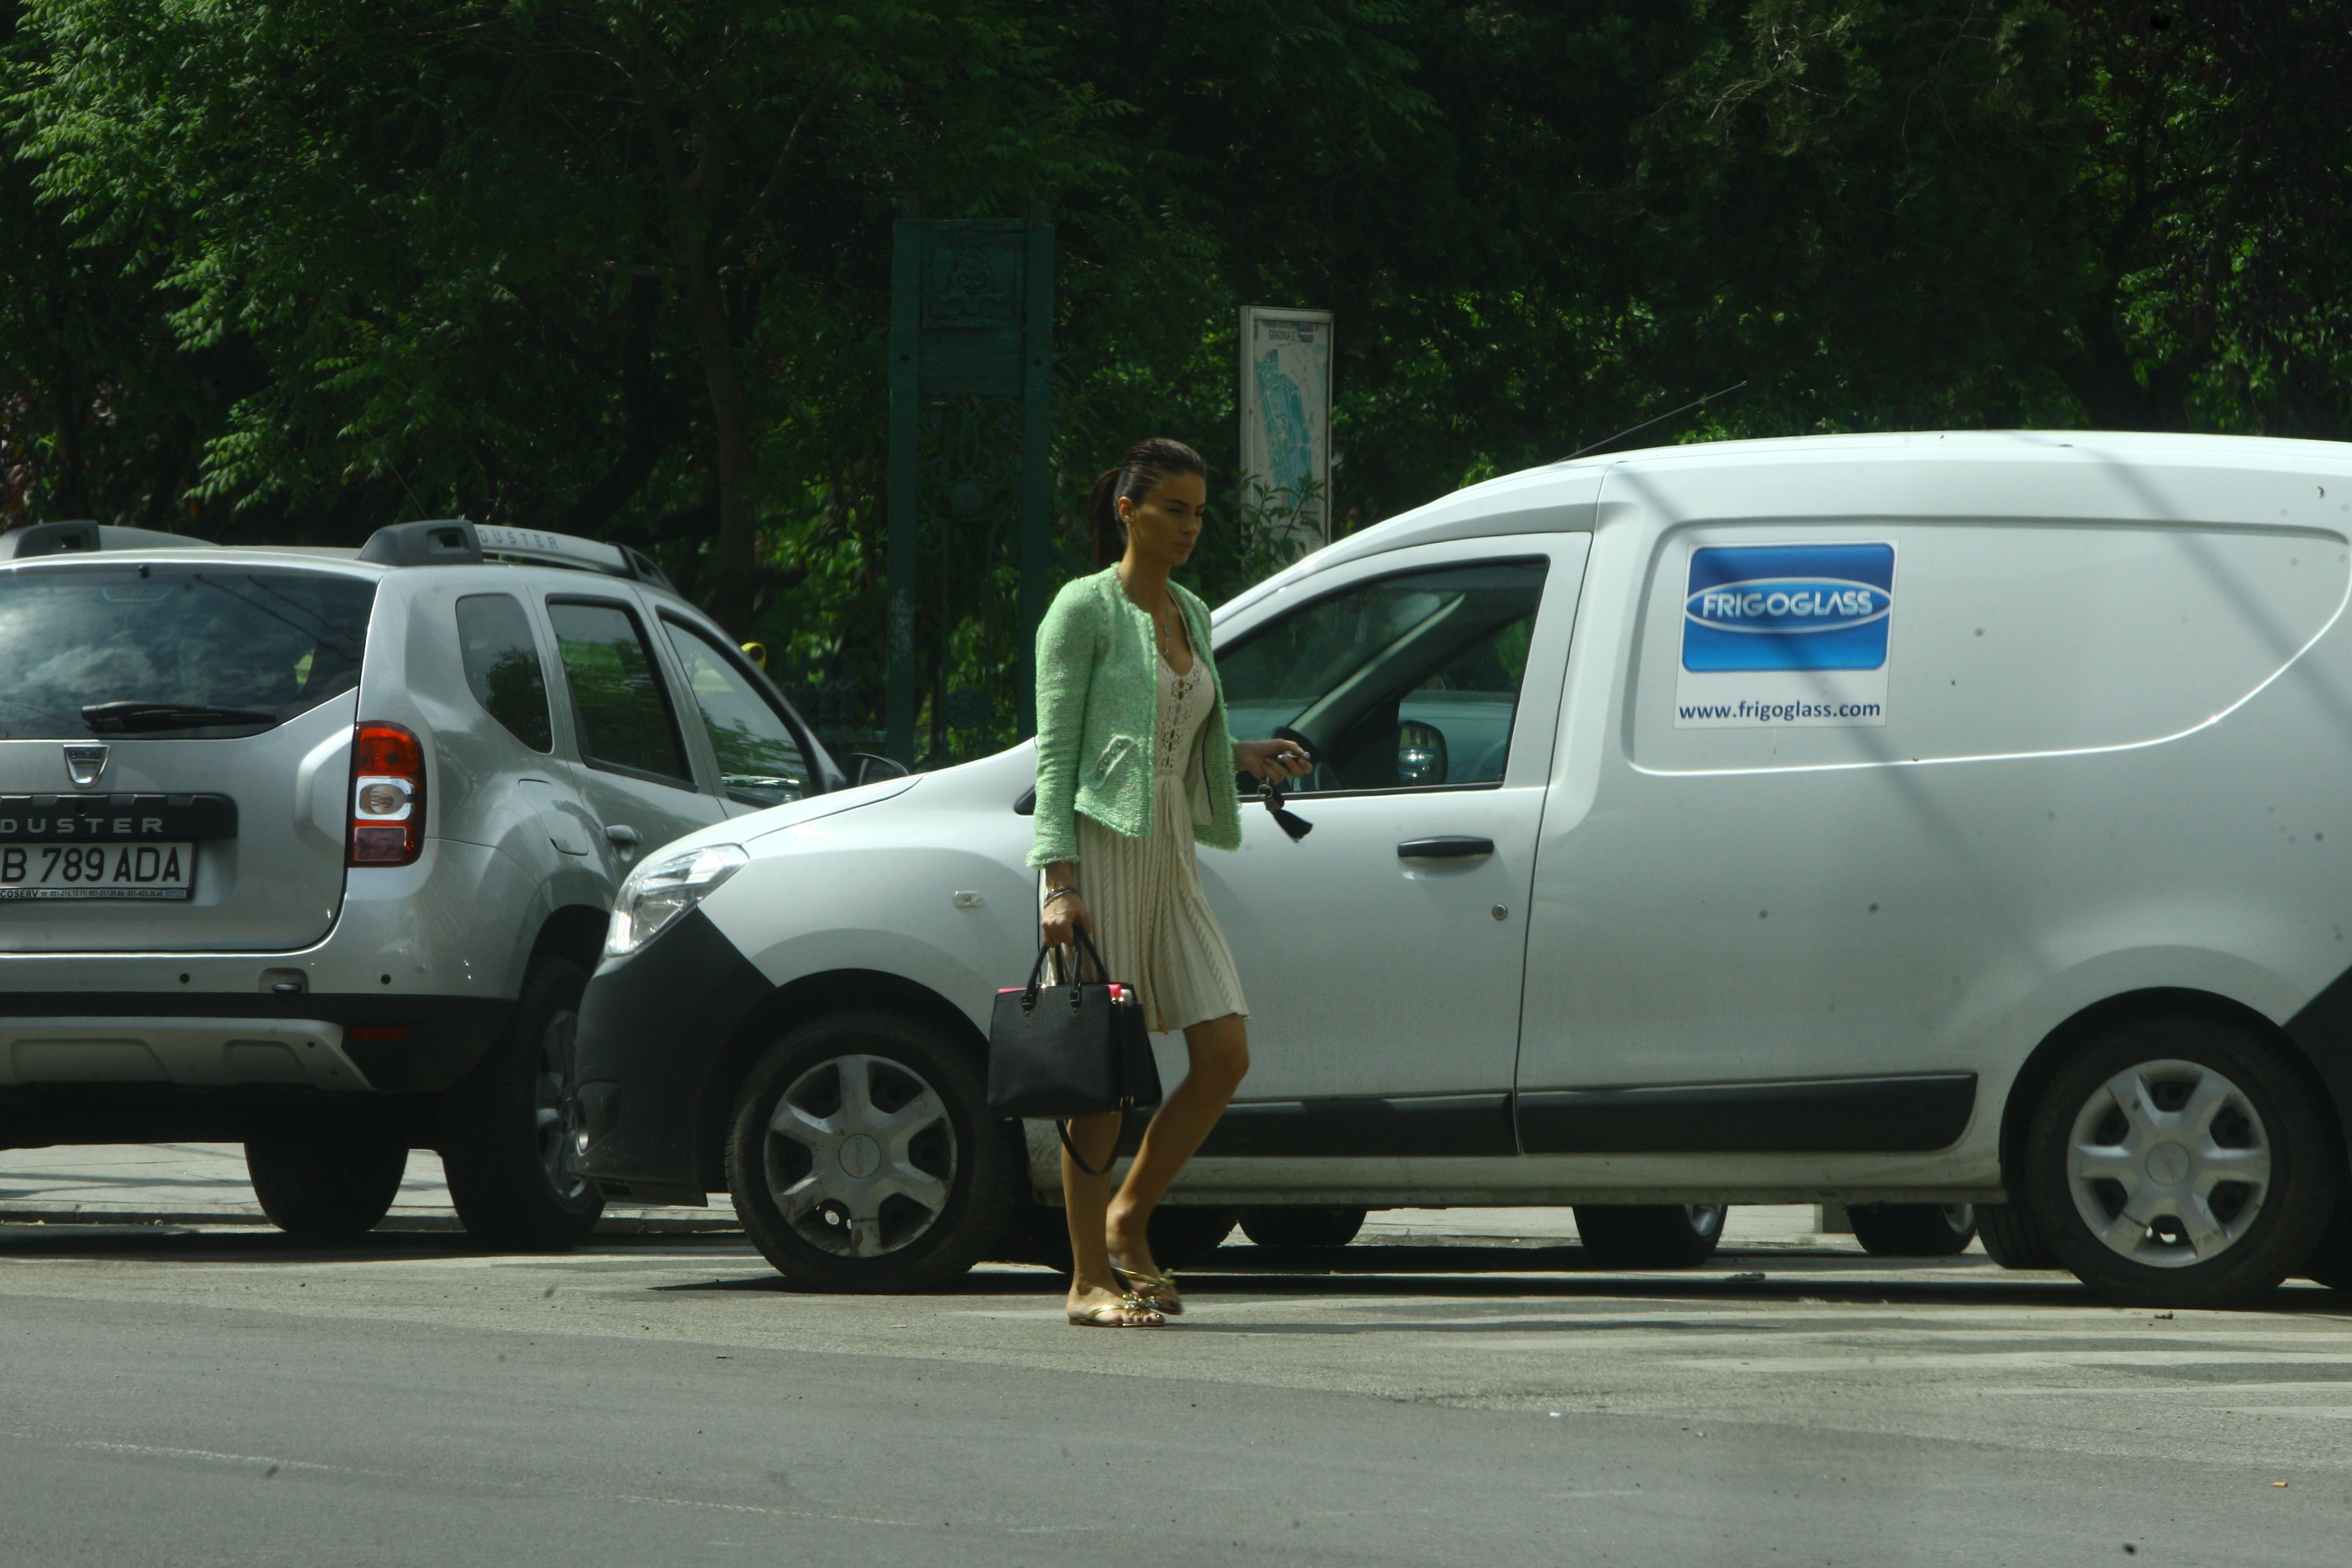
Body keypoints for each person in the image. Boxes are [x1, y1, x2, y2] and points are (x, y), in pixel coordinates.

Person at [1031, 437, 1311, 1328]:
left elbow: (1168, 735)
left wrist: (1242, 755)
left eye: (1198, 511)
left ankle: (1129, 1218)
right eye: (1173, 509)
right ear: (1128, 510)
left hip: (1170, 854)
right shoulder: (1083, 610)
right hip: (1100, 847)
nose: (1190, 526)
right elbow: (1057, 756)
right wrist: (1057, 884)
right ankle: (1086, 1280)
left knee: (1224, 1053)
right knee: (1101, 1078)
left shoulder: (1192, 608)